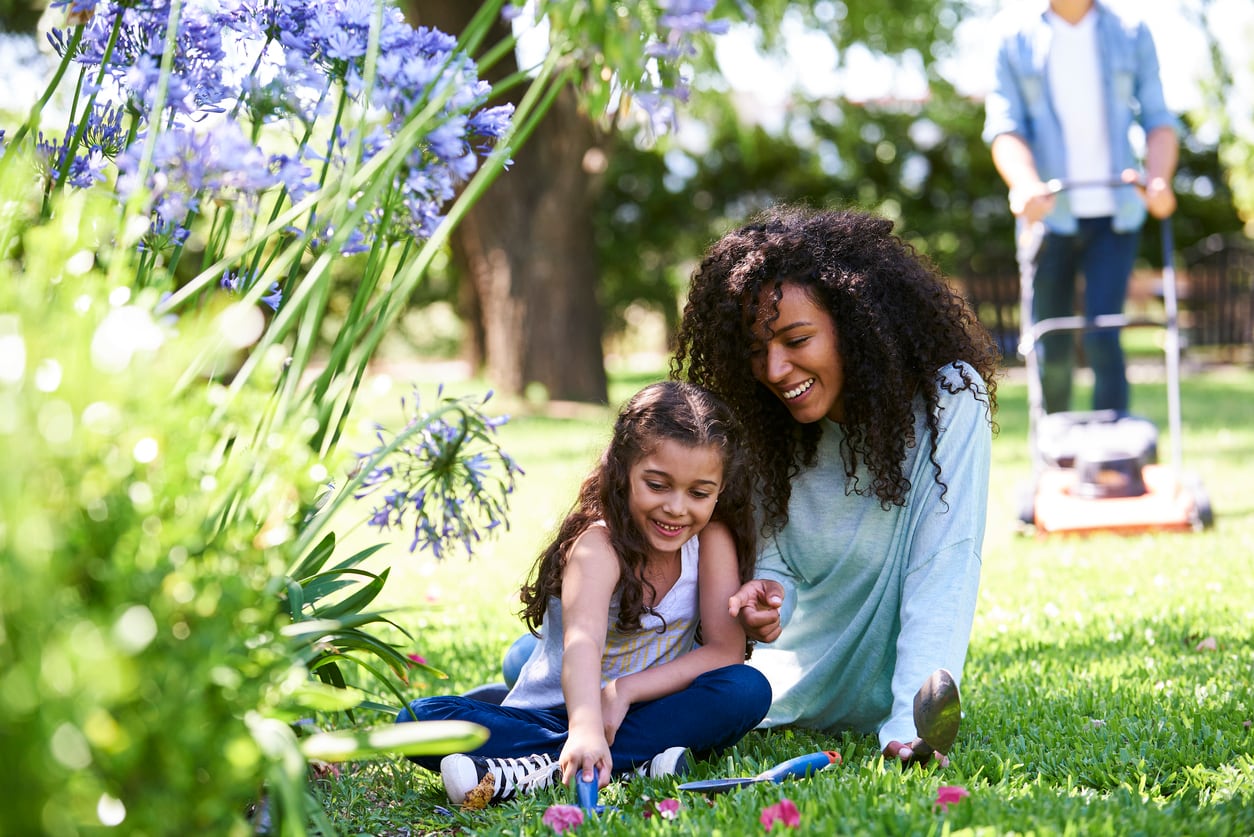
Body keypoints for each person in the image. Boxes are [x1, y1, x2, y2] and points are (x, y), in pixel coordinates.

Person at [671, 205, 999, 767]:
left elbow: (943, 568)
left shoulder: (947, 399)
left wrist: (908, 726)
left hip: (871, 704)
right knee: (537, 662)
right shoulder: (769, 431)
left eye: (796, 339)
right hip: (770, 692)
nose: (774, 370)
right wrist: (767, 599)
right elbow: (782, 566)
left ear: (855, 325)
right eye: (756, 350)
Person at [396, 381, 771, 806]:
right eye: (657, 485)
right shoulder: (599, 547)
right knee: (416, 720)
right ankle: (632, 762)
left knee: (746, 688)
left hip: (643, 707)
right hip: (551, 714)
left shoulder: (712, 541)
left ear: (720, 490)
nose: (677, 508)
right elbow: (583, 643)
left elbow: (724, 652)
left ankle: (525, 771)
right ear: (623, 472)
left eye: (699, 493)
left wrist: (624, 690)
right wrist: (585, 729)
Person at [982, 0, 1180, 415]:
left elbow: (1159, 117)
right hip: (1049, 219)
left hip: (1117, 214)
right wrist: (1025, 185)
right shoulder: (1012, 36)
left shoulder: (1131, 31)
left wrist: (1158, 179)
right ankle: (1055, 452)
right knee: (1052, 347)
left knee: (1103, 337)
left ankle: (1114, 451)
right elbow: (1005, 126)